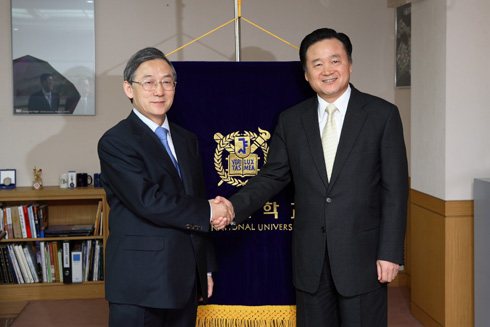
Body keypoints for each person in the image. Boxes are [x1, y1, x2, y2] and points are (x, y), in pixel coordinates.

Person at [216, 28, 409, 326]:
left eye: (335, 60)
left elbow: (394, 190)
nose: (327, 70)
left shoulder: (382, 115)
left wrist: (391, 252)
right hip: (311, 261)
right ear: (306, 74)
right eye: (317, 64)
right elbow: (272, 176)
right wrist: (232, 207)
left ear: (350, 64)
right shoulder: (292, 120)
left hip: (364, 258)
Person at [98, 47, 232, 327]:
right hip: (140, 282)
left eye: (167, 81)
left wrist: (204, 267)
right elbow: (149, 201)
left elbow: (193, 199)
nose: (159, 90)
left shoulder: (187, 139)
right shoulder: (115, 142)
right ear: (129, 89)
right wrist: (211, 210)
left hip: (185, 280)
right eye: (148, 82)